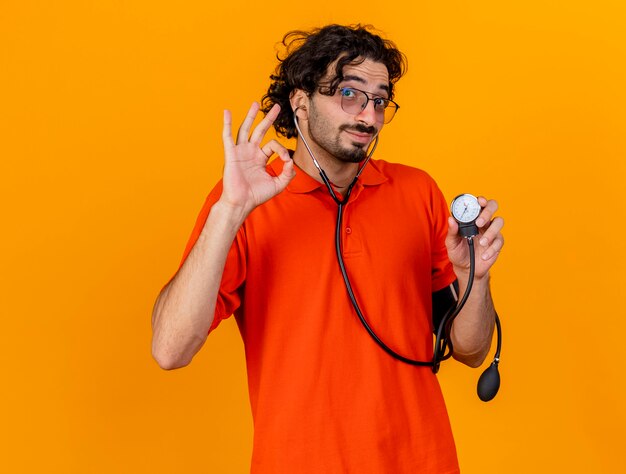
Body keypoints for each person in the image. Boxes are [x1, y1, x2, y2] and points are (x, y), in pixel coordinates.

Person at [152, 24, 504, 473]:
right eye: (350, 94)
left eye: (379, 101)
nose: (368, 116)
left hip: (422, 461)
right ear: (300, 102)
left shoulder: (419, 192)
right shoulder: (242, 203)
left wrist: (475, 270)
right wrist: (229, 210)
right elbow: (169, 349)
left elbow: (472, 351)